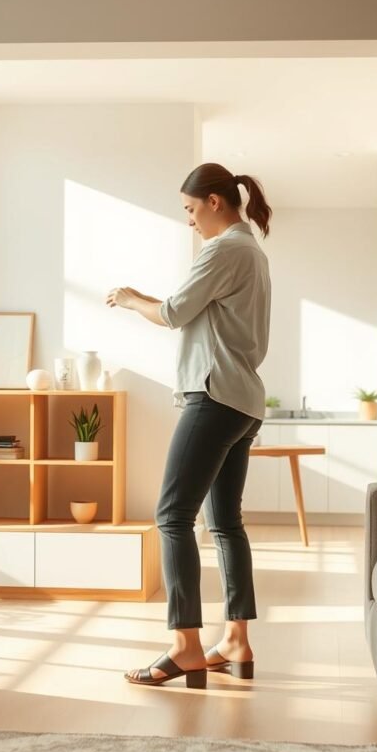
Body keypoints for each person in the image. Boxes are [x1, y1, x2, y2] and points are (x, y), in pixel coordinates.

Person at [106, 162, 272, 688]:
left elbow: (175, 312)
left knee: (171, 517)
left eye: (190, 208)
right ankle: (237, 641)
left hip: (214, 395)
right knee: (225, 524)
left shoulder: (223, 249)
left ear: (215, 202)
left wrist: (131, 299)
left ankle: (185, 647)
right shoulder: (254, 253)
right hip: (244, 400)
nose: (189, 220)